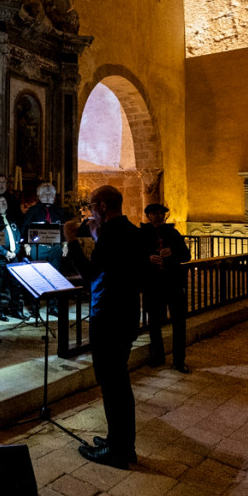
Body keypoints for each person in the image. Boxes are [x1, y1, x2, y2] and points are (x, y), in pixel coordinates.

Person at [72, 184, 147, 469]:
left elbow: (90, 274)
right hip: (126, 316)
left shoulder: (111, 235)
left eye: (92, 206)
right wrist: (96, 237)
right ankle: (121, 443)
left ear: (103, 206)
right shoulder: (132, 232)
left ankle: (118, 451)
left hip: (108, 319)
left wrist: (71, 242)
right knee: (119, 383)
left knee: (112, 385)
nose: (91, 212)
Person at [140, 202, 191, 372]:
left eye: (161, 213)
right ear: (148, 216)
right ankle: (158, 356)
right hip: (153, 285)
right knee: (154, 323)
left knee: (179, 323)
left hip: (173, 283)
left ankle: (179, 360)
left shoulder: (173, 233)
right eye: (155, 213)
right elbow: (135, 257)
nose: (159, 216)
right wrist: (148, 258)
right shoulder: (142, 234)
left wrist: (173, 253)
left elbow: (186, 256)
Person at [22, 181, 69, 321]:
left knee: (54, 277)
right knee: (36, 277)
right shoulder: (33, 210)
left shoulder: (59, 211)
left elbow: (64, 229)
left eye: (51, 194)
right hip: (38, 248)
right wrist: (26, 245)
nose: (48, 197)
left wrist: (65, 245)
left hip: (54, 248)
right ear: (39, 196)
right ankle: (34, 306)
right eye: (45, 194)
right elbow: (25, 228)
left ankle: (53, 306)